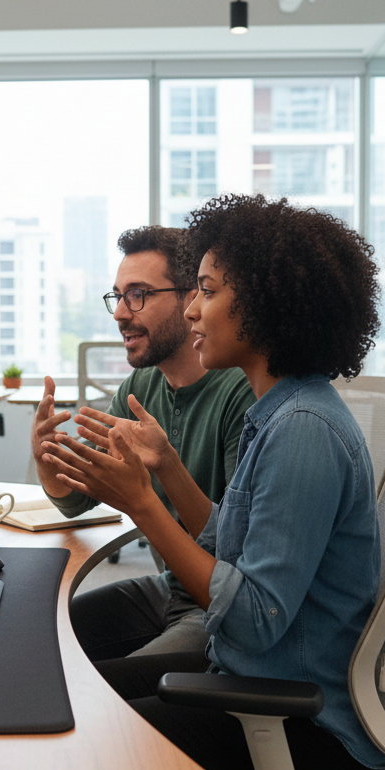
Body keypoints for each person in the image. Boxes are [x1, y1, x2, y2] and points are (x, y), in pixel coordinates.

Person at [40, 194, 385, 770]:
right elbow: (226, 541)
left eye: (208, 288)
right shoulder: (282, 410)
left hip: (300, 715)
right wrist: (165, 472)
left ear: (264, 301)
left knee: (77, 759)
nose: (192, 308)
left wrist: (140, 505)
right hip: (265, 678)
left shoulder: (299, 431)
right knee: (74, 710)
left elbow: (253, 616)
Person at [31, 226, 254, 661]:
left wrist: (144, 497)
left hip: (219, 604)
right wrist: (48, 460)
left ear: (192, 298)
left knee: (103, 694)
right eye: (117, 296)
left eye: (138, 295)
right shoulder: (141, 385)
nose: (119, 313)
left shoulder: (240, 392)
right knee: (40, 637)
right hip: (170, 587)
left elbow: (234, 553)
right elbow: (77, 503)